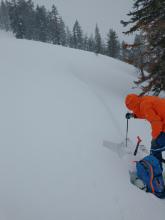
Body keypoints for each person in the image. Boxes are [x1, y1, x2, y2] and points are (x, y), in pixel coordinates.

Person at [125, 94, 165, 168]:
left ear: (133, 106)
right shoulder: (144, 100)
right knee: (157, 146)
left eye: (132, 109)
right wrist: (133, 115)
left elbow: (156, 122)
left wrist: (155, 137)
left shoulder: (144, 106)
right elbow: (146, 114)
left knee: (154, 148)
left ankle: (156, 173)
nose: (133, 110)